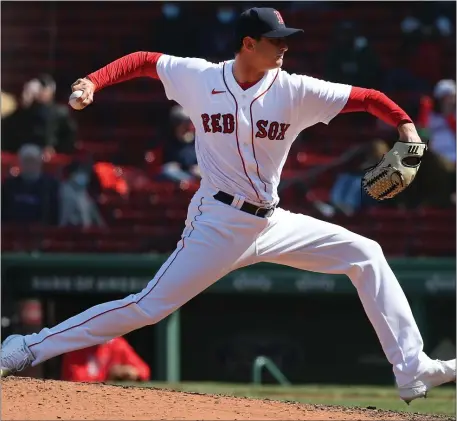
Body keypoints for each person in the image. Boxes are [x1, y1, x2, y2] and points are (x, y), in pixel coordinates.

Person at [1, 8, 454, 404]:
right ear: (248, 44)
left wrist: (407, 129)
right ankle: (27, 346)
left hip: (272, 221)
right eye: (275, 41)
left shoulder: (296, 89)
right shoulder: (200, 77)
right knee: (147, 307)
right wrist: (94, 81)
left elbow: (368, 98)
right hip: (216, 222)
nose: (284, 48)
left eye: (287, 41)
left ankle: (411, 367)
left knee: (366, 253)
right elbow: (143, 61)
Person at [1, 74, 77, 155]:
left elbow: (69, 138)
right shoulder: (23, 113)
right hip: (24, 155)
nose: (40, 93)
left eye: (43, 89)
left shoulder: (60, 112)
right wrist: (26, 103)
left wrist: (55, 149)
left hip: (53, 157)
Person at [2, 144, 60, 225]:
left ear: (39, 162)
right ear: (21, 163)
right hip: (14, 232)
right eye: (27, 161)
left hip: (42, 232)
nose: (30, 165)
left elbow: (55, 212)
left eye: (33, 161)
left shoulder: (51, 185)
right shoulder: (9, 185)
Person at [61, 336, 150, 383]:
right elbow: (76, 380)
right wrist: (109, 375)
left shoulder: (117, 343)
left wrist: (132, 372)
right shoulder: (78, 346)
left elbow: (144, 371)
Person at [59, 161, 105, 228]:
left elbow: (96, 217)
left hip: (88, 233)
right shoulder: (65, 190)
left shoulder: (84, 192)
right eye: (79, 173)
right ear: (72, 175)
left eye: (84, 173)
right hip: (73, 232)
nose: (83, 176)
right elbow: (64, 219)